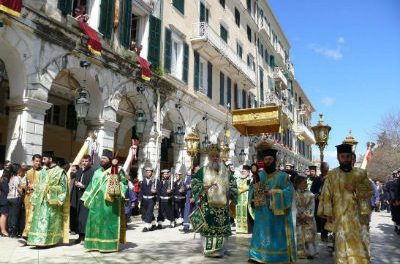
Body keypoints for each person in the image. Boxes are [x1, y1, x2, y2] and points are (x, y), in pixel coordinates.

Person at [318, 144, 372, 263]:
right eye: (343, 157)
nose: (346, 159)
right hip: (340, 216)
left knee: (360, 244)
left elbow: (370, 191)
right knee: (342, 244)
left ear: (351, 157)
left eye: (348, 156)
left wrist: (356, 188)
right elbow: (326, 195)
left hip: (358, 217)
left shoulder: (361, 173)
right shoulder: (332, 175)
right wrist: (328, 214)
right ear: (338, 158)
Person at [248, 148, 296, 263]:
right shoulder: (258, 175)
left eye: (270, 159)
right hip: (262, 213)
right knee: (261, 235)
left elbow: (290, 192)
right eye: (265, 159)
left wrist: (273, 193)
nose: (268, 161)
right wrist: (255, 193)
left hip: (277, 216)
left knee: (276, 237)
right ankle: (257, 256)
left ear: (275, 160)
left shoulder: (283, 176)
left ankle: (277, 257)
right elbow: (251, 191)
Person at [81, 147, 132, 252]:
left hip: (110, 203)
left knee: (107, 223)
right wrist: (86, 197)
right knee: (95, 223)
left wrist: (117, 190)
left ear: (110, 160)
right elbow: (91, 185)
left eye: (104, 158)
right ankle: (94, 245)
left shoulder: (117, 171)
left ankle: (108, 245)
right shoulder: (97, 172)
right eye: (101, 158)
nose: (102, 160)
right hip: (96, 204)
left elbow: (124, 183)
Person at [192, 144, 238, 258]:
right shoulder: (202, 171)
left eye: (217, 156)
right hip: (207, 205)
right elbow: (194, 184)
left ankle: (221, 249)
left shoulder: (226, 171)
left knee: (221, 228)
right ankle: (208, 249)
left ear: (219, 157)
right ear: (208, 157)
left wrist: (230, 192)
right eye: (212, 156)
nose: (215, 158)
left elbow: (233, 185)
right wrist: (204, 187)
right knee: (208, 227)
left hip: (222, 206)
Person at [27, 151, 68, 246]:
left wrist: (50, 190)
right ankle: (37, 240)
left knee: (49, 221)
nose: (42, 161)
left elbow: (63, 187)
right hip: (41, 201)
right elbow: (39, 185)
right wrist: (34, 197)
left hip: (51, 201)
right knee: (38, 221)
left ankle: (49, 241)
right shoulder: (43, 171)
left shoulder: (60, 171)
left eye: (44, 159)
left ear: (51, 159)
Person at [70, 154, 95, 244]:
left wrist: (84, 186)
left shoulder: (93, 171)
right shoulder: (79, 171)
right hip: (78, 196)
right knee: (78, 217)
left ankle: (85, 236)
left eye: (86, 161)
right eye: (83, 161)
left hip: (87, 197)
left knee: (84, 217)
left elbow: (94, 185)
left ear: (90, 162)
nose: (84, 163)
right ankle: (80, 236)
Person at [294, 175, 317, 259]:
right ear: (298, 184)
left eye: (306, 183)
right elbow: (293, 206)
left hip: (308, 219)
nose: (306, 184)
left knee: (309, 236)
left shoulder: (311, 195)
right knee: (299, 235)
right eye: (304, 183)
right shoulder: (293, 194)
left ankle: (310, 252)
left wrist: (305, 215)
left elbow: (312, 206)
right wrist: (297, 215)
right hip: (298, 218)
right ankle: (300, 253)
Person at [21, 154, 42, 239]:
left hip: (37, 197)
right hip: (28, 197)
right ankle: (27, 235)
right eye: (37, 161)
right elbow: (23, 184)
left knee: (35, 216)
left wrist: (34, 186)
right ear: (32, 161)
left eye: (39, 161)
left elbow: (44, 185)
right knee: (27, 215)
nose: (38, 163)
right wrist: (25, 187)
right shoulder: (28, 172)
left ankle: (30, 234)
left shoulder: (42, 172)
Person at [311, 161, 329, 241]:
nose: (322, 169)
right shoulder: (316, 179)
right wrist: (316, 195)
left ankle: (325, 234)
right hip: (318, 202)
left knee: (326, 218)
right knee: (318, 218)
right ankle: (319, 233)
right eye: (321, 167)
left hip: (327, 203)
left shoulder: (330, 179)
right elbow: (312, 190)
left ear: (327, 169)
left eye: (324, 167)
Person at [235, 165, 253, 234]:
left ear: (248, 172)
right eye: (241, 171)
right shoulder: (238, 180)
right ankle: (240, 229)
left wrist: (238, 190)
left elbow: (248, 187)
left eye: (244, 171)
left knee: (248, 214)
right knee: (238, 213)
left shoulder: (250, 179)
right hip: (239, 200)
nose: (242, 172)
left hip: (247, 200)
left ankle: (248, 229)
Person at [139, 167, 159, 232]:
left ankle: (146, 226)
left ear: (152, 173)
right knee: (145, 212)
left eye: (149, 172)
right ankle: (153, 224)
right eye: (147, 172)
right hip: (144, 199)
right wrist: (139, 199)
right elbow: (141, 190)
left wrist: (157, 200)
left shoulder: (155, 181)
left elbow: (158, 192)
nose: (148, 173)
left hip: (151, 199)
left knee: (149, 212)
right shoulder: (143, 180)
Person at [7, 167, 24, 237]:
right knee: (15, 215)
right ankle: (14, 232)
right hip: (15, 198)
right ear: (17, 170)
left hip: (9, 197)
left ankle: (10, 231)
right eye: (20, 169)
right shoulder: (17, 178)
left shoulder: (11, 178)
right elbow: (18, 188)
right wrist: (22, 195)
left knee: (11, 215)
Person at [0, 169, 10, 236]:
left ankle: (2, 230)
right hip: (4, 199)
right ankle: (3, 230)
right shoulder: (5, 180)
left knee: (3, 215)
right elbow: (6, 190)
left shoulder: (1, 180)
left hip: (2, 198)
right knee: (4, 215)